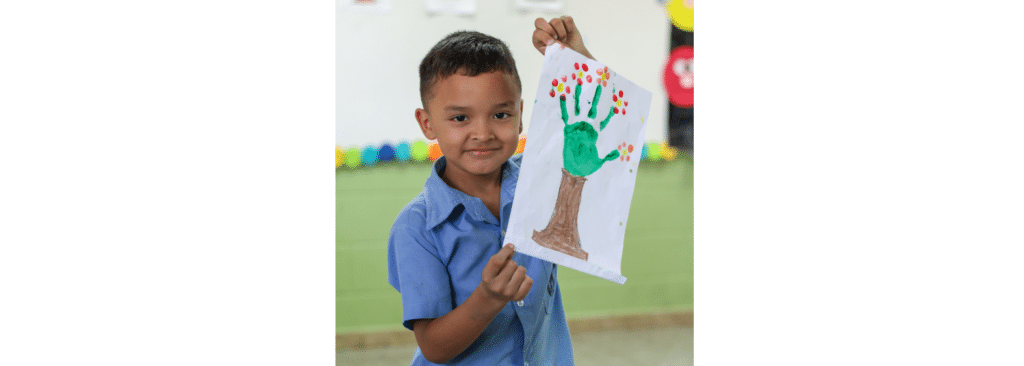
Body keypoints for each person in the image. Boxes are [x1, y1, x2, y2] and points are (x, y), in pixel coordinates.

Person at [387, 17, 596, 365]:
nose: (482, 133)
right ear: (427, 124)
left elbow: (599, 136)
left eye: (500, 114)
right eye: (460, 119)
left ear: (520, 116)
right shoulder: (416, 227)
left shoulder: (541, 180)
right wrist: (487, 298)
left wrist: (579, 63)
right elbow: (434, 348)